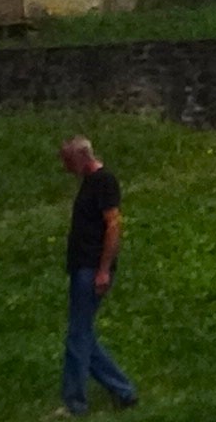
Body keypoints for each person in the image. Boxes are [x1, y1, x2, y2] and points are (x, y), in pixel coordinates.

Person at [56, 136, 139, 414]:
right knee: (83, 337)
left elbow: (113, 226)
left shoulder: (104, 182)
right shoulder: (89, 183)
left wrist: (103, 270)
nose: (66, 168)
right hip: (83, 267)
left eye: (68, 161)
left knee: (78, 336)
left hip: (91, 269)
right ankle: (124, 391)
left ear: (82, 157)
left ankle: (75, 403)